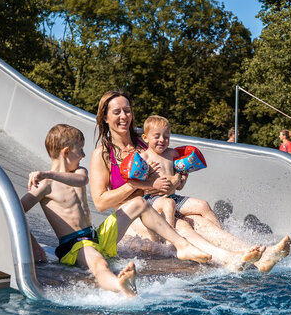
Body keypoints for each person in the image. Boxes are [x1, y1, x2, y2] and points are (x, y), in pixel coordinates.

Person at [89, 89, 290, 272]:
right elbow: (100, 202)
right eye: (117, 112)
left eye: (127, 110)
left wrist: (178, 178)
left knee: (199, 219)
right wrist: (135, 185)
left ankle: (258, 255)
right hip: (134, 215)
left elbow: (173, 168)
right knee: (182, 226)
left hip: (163, 203)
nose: (124, 116)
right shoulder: (103, 154)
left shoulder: (146, 141)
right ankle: (228, 259)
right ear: (105, 117)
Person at [21, 124, 212, 297]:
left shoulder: (78, 172)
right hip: (75, 245)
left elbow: (82, 180)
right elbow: (17, 211)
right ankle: (119, 285)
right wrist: (32, 243)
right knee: (99, 264)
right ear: (66, 152)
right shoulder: (44, 185)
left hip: (96, 236)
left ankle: (182, 246)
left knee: (139, 203)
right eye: (80, 150)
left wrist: (47, 173)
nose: (83, 155)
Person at [140, 115, 221, 228]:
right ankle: (169, 237)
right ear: (145, 137)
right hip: (153, 200)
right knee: (169, 204)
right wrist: (151, 183)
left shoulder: (172, 154)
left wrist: (183, 176)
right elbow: (135, 183)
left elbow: (180, 183)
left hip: (173, 197)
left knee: (203, 205)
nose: (162, 140)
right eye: (157, 136)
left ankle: (220, 231)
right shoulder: (144, 158)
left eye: (166, 137)